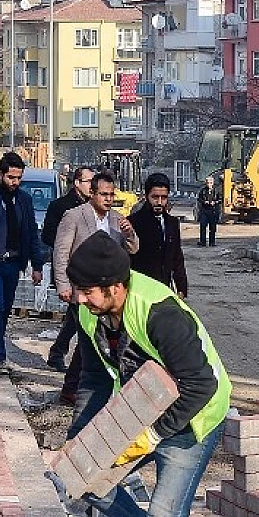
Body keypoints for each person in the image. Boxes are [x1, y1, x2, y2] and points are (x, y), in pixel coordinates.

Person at [63, 232, 231, 517]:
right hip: (141, 409)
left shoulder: (159, 313)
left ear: (114, 287)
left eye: (86, 291)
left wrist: (154, 435)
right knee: (81, 477)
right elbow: (94, 378)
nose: (79, 298)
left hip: (194, 417)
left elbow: (201, 386)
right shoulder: (88, 314)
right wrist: (78, 439)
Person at [53, 172, 139, 405]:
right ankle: (73, 390)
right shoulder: (74, 217)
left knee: (92, 342)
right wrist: (63, 284)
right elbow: (61, 253)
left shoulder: (117, 219)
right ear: (92, 193)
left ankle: (80, 388)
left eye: (112, 194)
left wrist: (129, 233)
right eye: (103, 194)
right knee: (87, 341)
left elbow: (131, 249)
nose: (108, 199)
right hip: (81, 291)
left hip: (107, 295)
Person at [0, 152, 45, 377]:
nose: (15, 182)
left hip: (13, 264)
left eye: (18, 178)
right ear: (1, 173)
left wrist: (37, 264)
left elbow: (31, 232)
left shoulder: (24, 200)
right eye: (11, 177)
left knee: (3, 312)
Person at [41, 166, 95, 373]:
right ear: (77, 183)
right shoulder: (60, 207)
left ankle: (58, 352)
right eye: (88, 181)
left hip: (88, 270)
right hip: (69, 269)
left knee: (76, 314)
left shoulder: (93, 206)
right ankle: (65, 356)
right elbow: (47, 236)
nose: (92, 185)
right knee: (78, 313)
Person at [129, 173, 188, 298]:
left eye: (164, 197)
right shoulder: (133, 223)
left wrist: (181, 287)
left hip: (164, 289)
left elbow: (177, 257)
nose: (159, 202)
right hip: (140, 292)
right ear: (146, 196)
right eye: (155, 197)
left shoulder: (172, 223)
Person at [196, 176, 221, 247]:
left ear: (213, 183)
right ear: (205, 183)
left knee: (212, 228)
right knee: (203, 226)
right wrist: (204, 202)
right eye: (208, 183)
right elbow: (199, 199)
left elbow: (220, 200)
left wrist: (215, 202)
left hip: (213, 211)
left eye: (210, 183)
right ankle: (202, 242)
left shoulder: (216, 191)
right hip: (205, 211)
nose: (209, 184)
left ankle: (212, 242)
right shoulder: (203, 191)